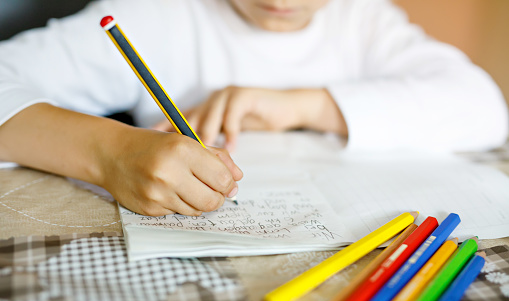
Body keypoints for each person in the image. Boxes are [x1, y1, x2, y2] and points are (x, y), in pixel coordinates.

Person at [0, 0, 507, 216]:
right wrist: (108, 151)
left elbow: (484, 107)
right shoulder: (157, 14)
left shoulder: (363, 18)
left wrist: (305, 106)